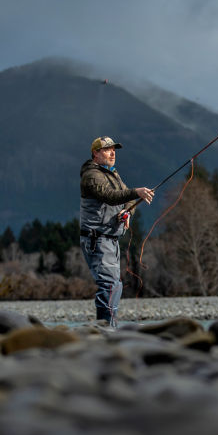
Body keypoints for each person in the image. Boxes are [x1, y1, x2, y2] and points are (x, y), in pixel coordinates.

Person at [80, 136, 154, 326]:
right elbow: (110, 196)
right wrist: (136, 192)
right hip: (97, 239)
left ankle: (108, 328)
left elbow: (126, 199)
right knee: (109, 285)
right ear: (95, 153)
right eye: (107, 150)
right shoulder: (91, 176)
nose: (112, 153)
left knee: (115, 285)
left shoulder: (112, 174)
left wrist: (127, 212)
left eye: (114, 149)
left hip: (111, 239)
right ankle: (105, 330)